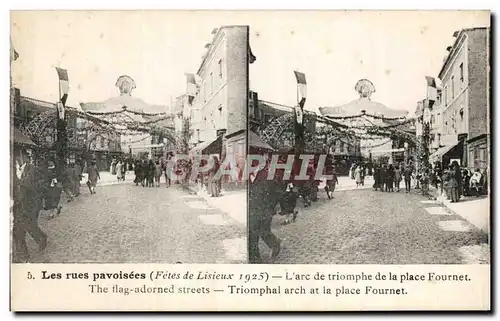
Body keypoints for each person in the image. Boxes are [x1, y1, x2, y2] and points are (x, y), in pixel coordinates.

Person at [12, 151, 48, 263]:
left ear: (22, 156)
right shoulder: (11, 170)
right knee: (18, 230)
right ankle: (22, 256)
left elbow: (41, 185)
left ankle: (41, 238)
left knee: (30, 226)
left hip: (32, 204)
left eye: (18, 156)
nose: (17, 159)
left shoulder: (33, 169)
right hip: (17, 205)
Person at [248, 155, 282, 264]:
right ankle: (255, 259)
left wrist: (271, 208)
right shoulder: (247, 177)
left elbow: (276, 193)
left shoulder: (268, 176)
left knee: (264, 232)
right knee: (252, 234)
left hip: (265, 209)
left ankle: (275, 243)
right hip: (252, 209)